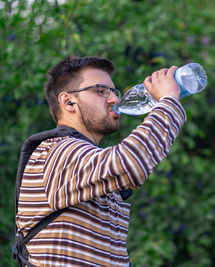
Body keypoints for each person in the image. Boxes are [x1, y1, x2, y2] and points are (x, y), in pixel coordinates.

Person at [14, 56, 186, 266]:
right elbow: (130, 163)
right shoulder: (56, 151)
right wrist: (168, 100)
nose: (114, 99)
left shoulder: (88, 161)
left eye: (114, 92)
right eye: (101, 91)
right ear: (68, 101)